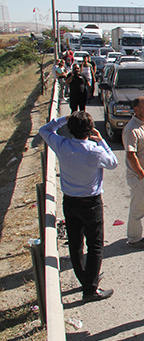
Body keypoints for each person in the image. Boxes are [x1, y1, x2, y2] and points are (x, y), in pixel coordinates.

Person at [39, 111, 118, 302]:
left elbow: (44, 129)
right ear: (90, 130)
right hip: (91, 202)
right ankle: (90, 289)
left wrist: (63, 119)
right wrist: (101, 141)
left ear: (70, 129)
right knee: (95, 245)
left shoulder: (62, 145)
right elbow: (113, 163)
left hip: (70, 201)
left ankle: (85, 278)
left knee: (75, 244)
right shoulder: (95, 150)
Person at [123, 96, 144, 249]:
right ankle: (134, 238)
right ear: (136, 110)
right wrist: (142, 175)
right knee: (138, 208)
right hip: (139, 175)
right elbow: (131, 155)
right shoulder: (131, 129)